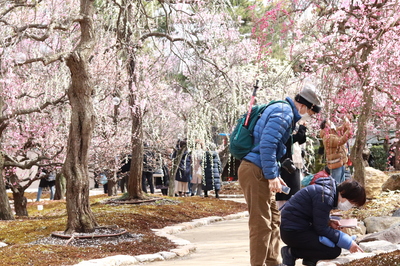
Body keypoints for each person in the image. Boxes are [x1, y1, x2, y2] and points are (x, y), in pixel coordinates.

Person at [238, 84, 322, 266]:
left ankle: (273, 262)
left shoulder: (284, 112)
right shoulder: (284, 113)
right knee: (261, 224)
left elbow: (271, 147)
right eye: (311, 112)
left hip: (260, 169)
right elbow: (267, 146)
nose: (310, 116)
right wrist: (271, 176)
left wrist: (275, 174)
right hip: (255, 170)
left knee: (274, 219)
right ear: (304, 105)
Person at [280, 178, 366, 266]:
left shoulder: (326, 192)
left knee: (329, 244)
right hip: (293, 233)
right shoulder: (325, 197)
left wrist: (328, 221)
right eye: (352, 202)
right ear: (343, 192)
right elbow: (321, 229)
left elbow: (316, 215)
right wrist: (348, 242)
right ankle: (291, 253)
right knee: (332, 250)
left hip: (296, 228)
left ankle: (310, 259)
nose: (351, 206)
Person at [276, 123, 307, 209]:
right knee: (289, 189)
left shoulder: (290, 137)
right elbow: (298, 137)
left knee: (294, 188)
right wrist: (302, 127)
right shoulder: (284, 136)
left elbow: (301, 139)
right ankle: (286, 209)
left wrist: (302, 129)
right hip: (286, 165)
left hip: (293, 164)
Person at [320, 117, 352, 184]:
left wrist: (347, 123)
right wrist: (349, 130)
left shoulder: (333, 133)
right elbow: (340, 141)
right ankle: (335, 194)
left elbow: (342, 129)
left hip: (340, 162)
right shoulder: (327, 137)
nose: (332, 123)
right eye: (330, 123)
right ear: (326, 127)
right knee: (336, 184)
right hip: (335, 164)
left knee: (341, 183)